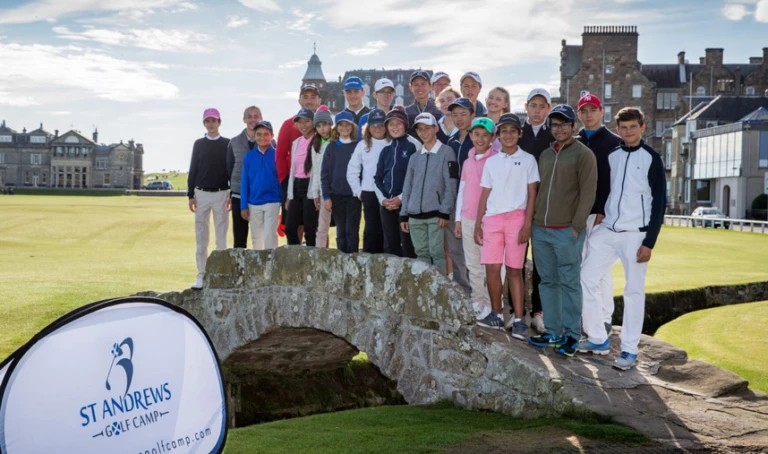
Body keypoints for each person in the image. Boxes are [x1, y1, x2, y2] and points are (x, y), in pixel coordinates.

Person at [578, 107, 666, 371]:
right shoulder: (613, 155)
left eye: (633, 127)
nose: (628, 131)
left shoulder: (652, 158)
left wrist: (649, 242)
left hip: (636, 234)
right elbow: (607, 189)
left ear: (642, 127)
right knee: (586, 277)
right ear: (618, 130)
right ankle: (597, 338)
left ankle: (629, 350)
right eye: (623, 128)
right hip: (609, 230)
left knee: (634, 291)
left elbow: (659, 202)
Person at [527, 105, 597, 357]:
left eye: (564, 124)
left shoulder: (583, 154)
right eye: (554, 125)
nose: (559, 129)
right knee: (548, 282)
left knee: (569, 283)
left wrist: (576, 227)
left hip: (567, 231)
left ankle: (571, 336)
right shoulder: (545, 154)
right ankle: (553, 332)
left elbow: (588, 193)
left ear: (573, 126)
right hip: (541, 230)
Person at [474, 114, 539, 338]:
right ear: (498, 136)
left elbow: (532, 195)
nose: (508, 135)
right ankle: (496, 314)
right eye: (504, 131)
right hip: (492, 220)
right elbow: (484, 194)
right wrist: (478, 224)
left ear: (520, 133)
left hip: (517, 219)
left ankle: (519, 319)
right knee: (492, 268)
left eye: (513, 131)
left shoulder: (529, 160)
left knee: (514, 270)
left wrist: (527, 225)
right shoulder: (491, 161)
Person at [575, 94, 622, 336]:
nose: (588, 114)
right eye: (584, 111)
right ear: (579, 114)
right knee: (583, 266)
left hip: (602, 214)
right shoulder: (575, 141)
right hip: (578, 214)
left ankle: (604, 317)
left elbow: (616, 182)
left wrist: (605, 210)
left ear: (601, 111)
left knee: (599, 267)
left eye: (592, 110)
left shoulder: (615, 142)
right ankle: (587, 318)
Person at [399, 112, 458, 272]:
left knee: (437, 253)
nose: (424, 133)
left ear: (436, 128)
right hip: (414, 217)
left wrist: (445, 211)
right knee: (421, 254)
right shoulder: (414, 157)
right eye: (420, 130)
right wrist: (404, 213)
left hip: (436, 216)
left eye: (427, 128)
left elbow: (451, 184)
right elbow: (408, 186)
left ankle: (440, 291)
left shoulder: (447, 152)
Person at [518, 88, 555, 334]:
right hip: (517, 206)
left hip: (544, 207)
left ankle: (538, 312)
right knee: (516, 262)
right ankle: (517, 311)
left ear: (548, 109)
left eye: (543, 106)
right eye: (534, 105)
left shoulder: (553, 135)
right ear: (527, 106)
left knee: (542, 263)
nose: (538, 110)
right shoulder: (515, 133)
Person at [454, 116, 498, 323]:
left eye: (485, 135)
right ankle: (476, 301)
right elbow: (462, 191)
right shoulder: (467, 160)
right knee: (472, 264)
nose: (480, 139)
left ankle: (489, 305)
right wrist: (458, 220)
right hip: (467, 218)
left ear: (492, 138)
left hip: (487, 221)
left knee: (488, 264)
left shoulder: (495, 160)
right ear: (470, 135)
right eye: (476, 134)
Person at [187, 108, 231, 290]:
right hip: (202, 194)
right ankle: (201, 275)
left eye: (214, 121)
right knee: (201, 238)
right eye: (208, 121)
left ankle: (220, 276)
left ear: (219, 122)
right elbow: (193, 169)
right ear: (204, 123)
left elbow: (230, 169)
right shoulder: (198, 144)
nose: (211, 124)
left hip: (222, 193)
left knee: (221, 238)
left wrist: (231, 194)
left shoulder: (227, 143)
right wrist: (190, 195)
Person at [276, 84, 322, 237]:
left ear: (319, 100)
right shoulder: (289, 124)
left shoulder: (324, 126)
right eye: (305, 97)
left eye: (313, 97)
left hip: (317, 182)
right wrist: (285, 180)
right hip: (294, 182)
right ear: (299, 100)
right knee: (294, 226)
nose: (309, 101)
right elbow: (281, 155)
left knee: (317, 225)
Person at [374, 108, 418, 258]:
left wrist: (401, 198)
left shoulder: (413, 147)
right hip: (387, 205)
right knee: (390, 245)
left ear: (405, 125)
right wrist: (383, 200)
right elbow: (377, 178)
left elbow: (415, 179)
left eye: (398, 123)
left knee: (408, 246)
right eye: (390, 124)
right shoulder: (386, 150)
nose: (394, 127)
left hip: (406, 205)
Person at [445, 97, 476, 294]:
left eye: (463, 114)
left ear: (473, 115)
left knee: (473, 251)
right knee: (455, 249)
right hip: (453, 202)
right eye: (454, 114)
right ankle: (462, 290)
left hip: (473, 204)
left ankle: (477, 292)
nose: (459, 118)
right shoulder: (451, 141)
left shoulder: (481, 139)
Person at [348, 108, 389, 253]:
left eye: (381, 125)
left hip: (388, 194)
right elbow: (352, 170)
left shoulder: (391, 143)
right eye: (374, 125)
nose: (378, 128)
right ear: (368, 128)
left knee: (387, 231)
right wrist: (358, 192)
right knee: (371, 230)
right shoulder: (363, 145)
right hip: (369, 192)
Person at [321, 111, 361, 253]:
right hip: (336, 196)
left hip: (354, 196)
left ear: (352, 126)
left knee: (352, 231)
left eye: (347, 125)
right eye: (341, 125)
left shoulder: (358, 146)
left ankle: (353, 261)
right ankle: (341, 262)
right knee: (341, 232)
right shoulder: (331, 147)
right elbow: (325, 174)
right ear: (336, 127)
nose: (344, 128)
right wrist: (326, 196)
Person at [240, 120, 282, 251]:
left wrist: (283, 199)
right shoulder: (249, 156)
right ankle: (257, 269)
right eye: (259, 134)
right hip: (253, 202)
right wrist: (243, 205)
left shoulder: (277, 155)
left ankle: (271, 267)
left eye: (266, 134)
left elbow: (282, 179)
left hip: (273, 201)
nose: (262, 137)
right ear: (254, 135)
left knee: (270, 236)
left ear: (272, 135)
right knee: (256, 238)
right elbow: (245, 181)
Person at [227, 105, 263, 248]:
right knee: (239, 238)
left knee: (259, 238)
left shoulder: (270, 142)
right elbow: (229, 167)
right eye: (249, 116)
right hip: (238, 194)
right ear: (244, 120)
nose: (252, 119)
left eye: (256, 116)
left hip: (259, 196)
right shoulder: (234, 142)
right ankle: (239, 270)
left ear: (261, 118)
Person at [286, 108, 319, 246]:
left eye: (307, 121)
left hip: (311, 187)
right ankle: (295, 259)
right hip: (296, 187)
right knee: (290, 228)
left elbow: (319, 169)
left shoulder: (319, 141)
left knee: (310, 229)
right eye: (300, 122)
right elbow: (293, 171)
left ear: (314, 122)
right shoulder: (296, 143)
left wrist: (318, 193)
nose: (303, 125)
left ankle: (312, 261)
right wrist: (289, 196)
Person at [308, 106, 334, 248]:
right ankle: (320, 254)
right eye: (318, 126)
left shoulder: (336, 142)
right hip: (324, 192)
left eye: (325, 125)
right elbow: (316, 170)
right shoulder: (315, 145)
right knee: (322, 226)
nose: (322, 129)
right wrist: (315, 193)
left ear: (330, 124)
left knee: (341, 226)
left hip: (337, 189)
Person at [405, 70, 442, 141]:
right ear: (410, 88)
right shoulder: (406, 112)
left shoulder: (439, 109)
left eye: (423, 84)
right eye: (416, 85)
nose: (420, 88)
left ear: (430, 86)